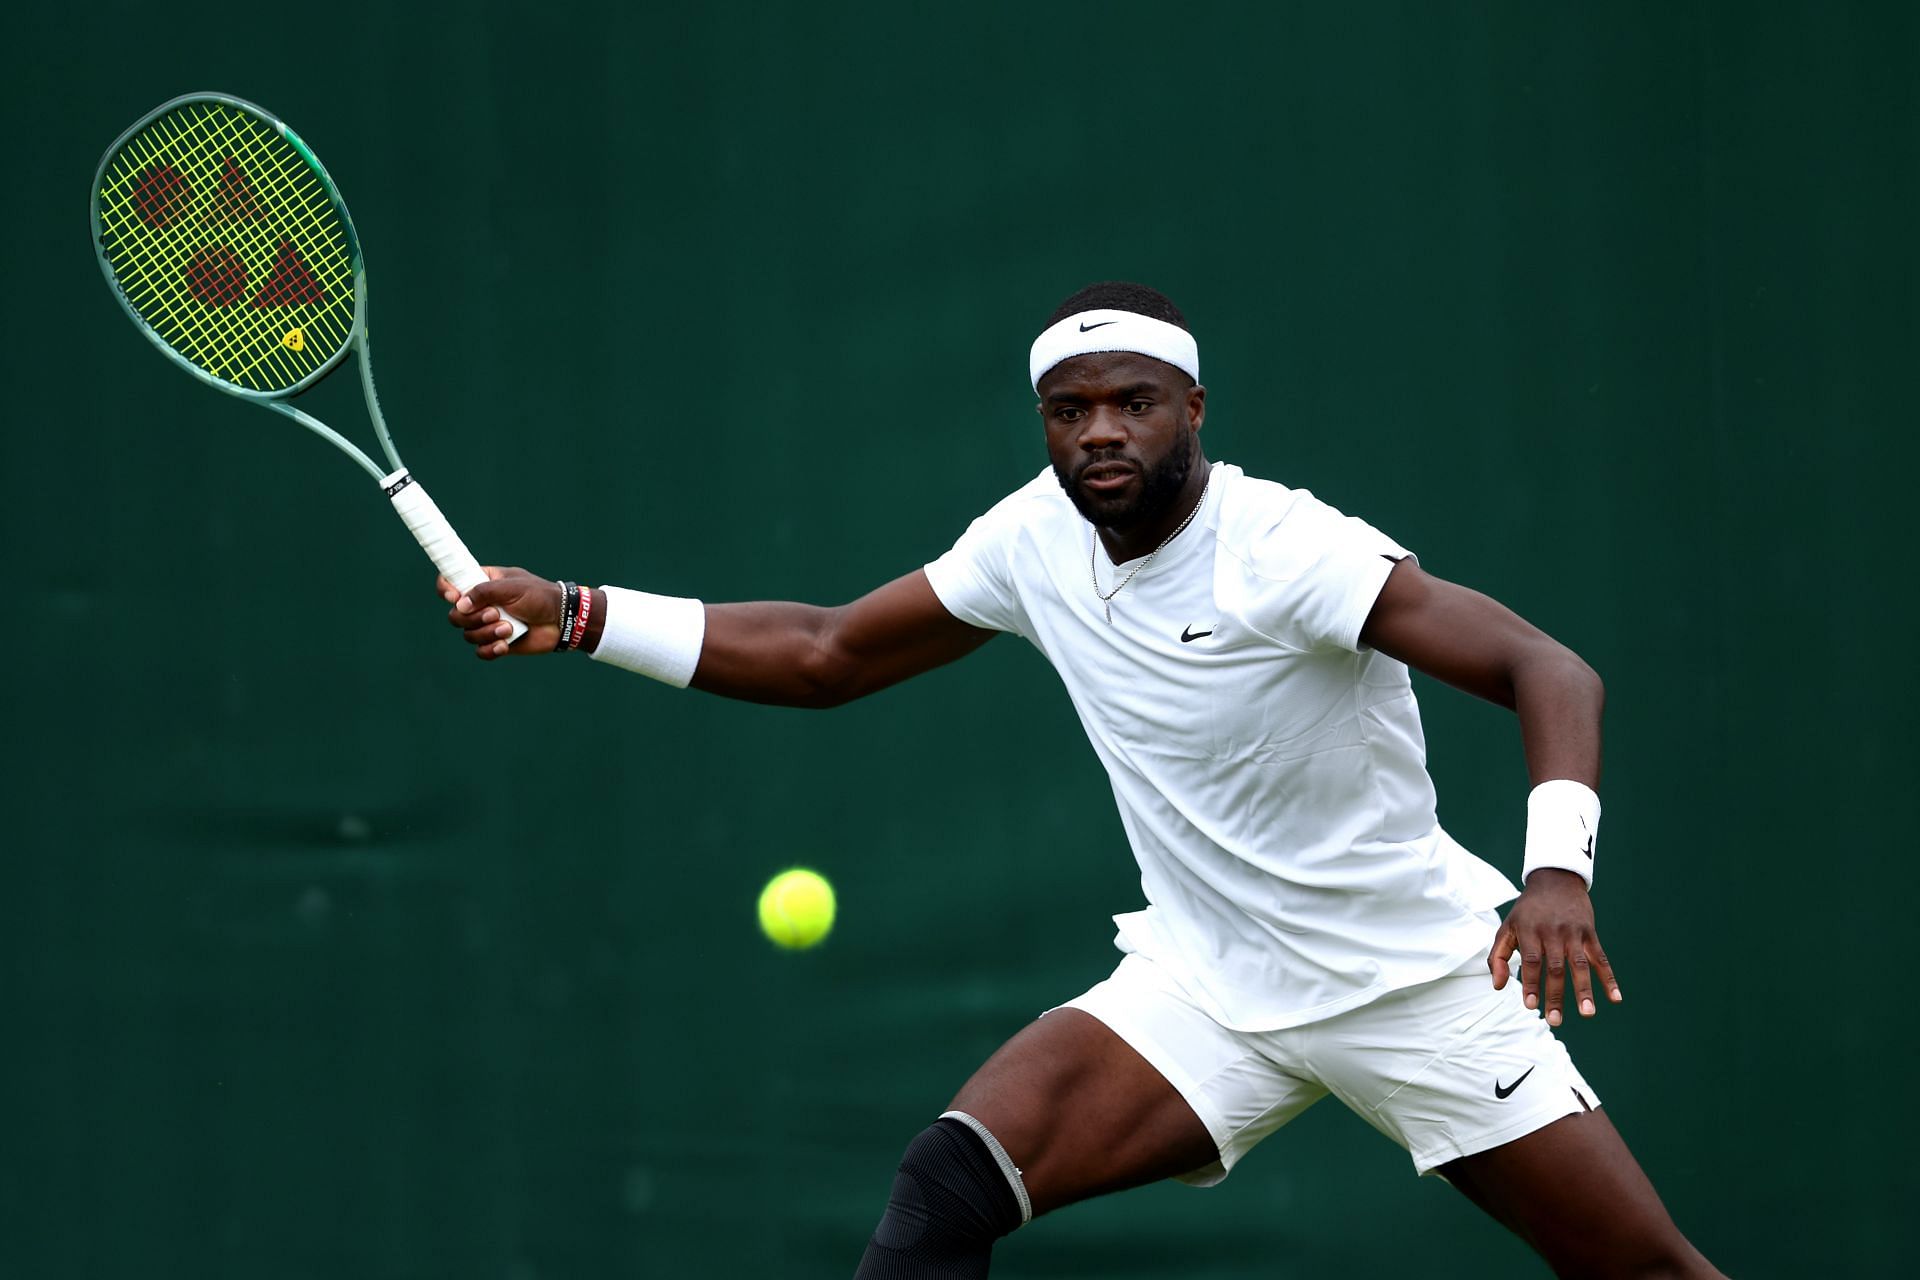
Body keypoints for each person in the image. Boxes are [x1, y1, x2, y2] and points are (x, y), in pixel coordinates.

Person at [440, 283, 1726, 1279]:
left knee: (1636, 1266)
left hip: (1414, 983)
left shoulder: (1284, 547)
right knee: (947, 1186)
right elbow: (828, 652)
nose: (1102, 431)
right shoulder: (1033, 539)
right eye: (1071, 410)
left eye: (1135, 402)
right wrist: (578, 609)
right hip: (1207, 986)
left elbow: (1546, 667)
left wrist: (1558, 868)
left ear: (1195, 411)